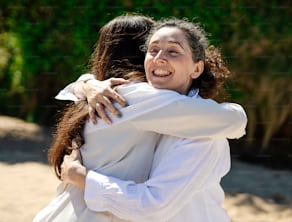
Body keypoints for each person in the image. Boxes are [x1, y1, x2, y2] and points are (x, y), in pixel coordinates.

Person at [33, 15, 246, 222]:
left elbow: (151, 206)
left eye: (173, 51)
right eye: (152, 49)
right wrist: (87, 84)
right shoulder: (134, 97)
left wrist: (80, 175)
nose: (159, 57)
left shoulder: (199, 129)